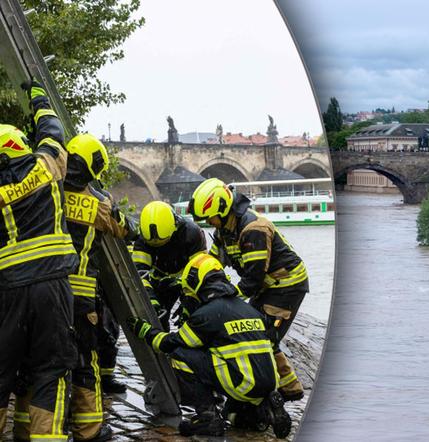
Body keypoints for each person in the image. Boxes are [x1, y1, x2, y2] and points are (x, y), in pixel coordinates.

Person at [126, 253, 291, 438]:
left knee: (180, 355)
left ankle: (208, 418)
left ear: (198, 284)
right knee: (232, 415)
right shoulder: (248, 309)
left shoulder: (208, 314)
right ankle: (266, 410)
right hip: (267, 384)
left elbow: (171, 344)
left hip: (242, 383)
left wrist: (146, 332)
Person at [0, 80, 78, 440]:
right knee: (51, 369)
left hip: (6, 294)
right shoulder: (45, 166)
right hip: (51, 286)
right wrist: (39, 99)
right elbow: (52, 131)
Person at [188, 178, 308, 401]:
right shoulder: (226, 228)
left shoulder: (253, 229)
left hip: (286, 286)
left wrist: (223, 298)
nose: (208, 222)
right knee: (259, 332)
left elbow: (253, 279)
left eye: (209, 217)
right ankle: (290, 388)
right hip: (268, 286)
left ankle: (278, 391)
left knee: (264, 336)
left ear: (222, 209)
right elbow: (213, 260)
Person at [60, 133, 137, 440]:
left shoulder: (47, 192)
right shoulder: (100, 204)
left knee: (39, 360)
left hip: (44, 289)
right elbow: (125, 229)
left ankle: (33, 428)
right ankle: (88, 428)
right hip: (80, 296)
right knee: (84, 360)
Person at [132, 200, 207, 329]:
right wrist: (150, 298)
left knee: (195, 318)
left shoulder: (192, 233)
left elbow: (201, 272)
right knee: (156, 319)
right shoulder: (143, 238)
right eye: (154, 245)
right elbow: (139, 273)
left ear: (174, 228)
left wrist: (189, 303)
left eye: (163, 242)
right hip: (158, 282)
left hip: (187, 282)